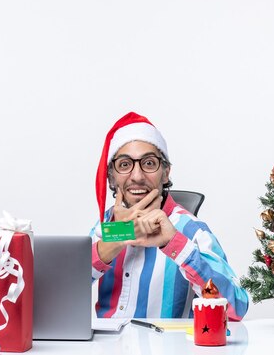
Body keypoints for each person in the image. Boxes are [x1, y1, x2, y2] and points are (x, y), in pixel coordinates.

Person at [91, 112, 249, 320]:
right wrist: (119, 235)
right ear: (111, 177)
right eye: (124, 165)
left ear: (166, 173)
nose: (137, 176)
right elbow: (62, 290)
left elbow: (237, 307)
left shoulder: (191, 230)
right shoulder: (104, 226)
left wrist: (175, 243)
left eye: (148, 163)